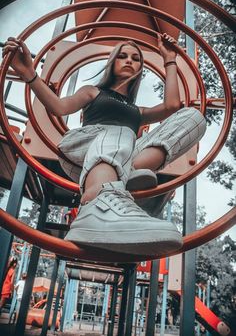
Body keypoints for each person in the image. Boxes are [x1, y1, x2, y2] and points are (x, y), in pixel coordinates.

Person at [2, 34, 206, 256]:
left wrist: (169, 59)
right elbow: (58, 107)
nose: (129, 60)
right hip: (81, 151)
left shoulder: (137, 112)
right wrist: (29, 74)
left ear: (140, 68)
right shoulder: (93, 92)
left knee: (193, 118)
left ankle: (123, 176)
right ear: (112, 62)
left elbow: (172, 106)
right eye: (122, 56)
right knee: (122, 133)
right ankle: (94, 203)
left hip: (120, 155)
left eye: (136, 58)